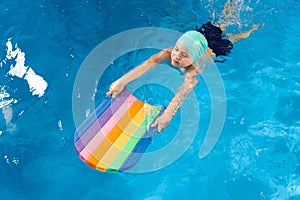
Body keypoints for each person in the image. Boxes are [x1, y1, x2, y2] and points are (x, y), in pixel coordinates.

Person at [106, 1, 258, 133]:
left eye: (184, 56)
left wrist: (168, 114)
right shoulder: (169, 52)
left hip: (215, 48)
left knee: (232, 38)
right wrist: (122, 81)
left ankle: (248, 31)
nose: (176, 56)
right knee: (218, 25)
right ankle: (230, 6)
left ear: (194, 59)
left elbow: (184, 90)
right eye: (177, 49)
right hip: (199, 38)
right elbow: (148, 64)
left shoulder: (193, 69)